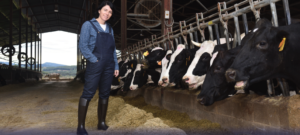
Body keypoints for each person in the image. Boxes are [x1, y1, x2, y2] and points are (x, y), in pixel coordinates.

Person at [77, 1, 118, 135]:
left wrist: (115, 65)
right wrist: (94, 60)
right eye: (105, 10)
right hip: (95, 64)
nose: (107, 13)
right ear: (99, 10)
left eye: (110, 12)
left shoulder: (110, 29)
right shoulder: (88, 25)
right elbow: (83, 46)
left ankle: (101, 123)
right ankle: (81, 127)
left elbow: (113, 50)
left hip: (109, 65)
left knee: (105, 93)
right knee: (88, 93)